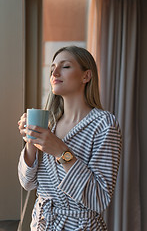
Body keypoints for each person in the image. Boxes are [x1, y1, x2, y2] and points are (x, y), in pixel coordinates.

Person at [18, 46, 122, 231]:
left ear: (86, 76)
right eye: (52, 68)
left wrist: (61, 151)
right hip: (42, 224)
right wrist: (31, 144)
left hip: (81, 226)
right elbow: (27, 183)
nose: (55, 72)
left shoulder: (104, 124)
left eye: (65, 66)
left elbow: (99, 198)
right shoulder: (49, 122)